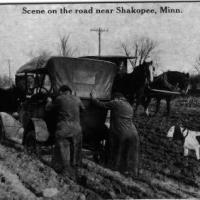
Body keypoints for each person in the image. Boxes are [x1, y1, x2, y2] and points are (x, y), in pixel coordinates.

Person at [90, 91, 140, 176]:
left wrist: (93, 97)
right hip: (133, 133)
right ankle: (131, 171)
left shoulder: (116, 102)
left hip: (121, 132)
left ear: (116, 98)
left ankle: (114, 169)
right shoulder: (129, 105)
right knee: (130, 153)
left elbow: (101, 105)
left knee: (115, 150)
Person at [46, 85, 85, 178]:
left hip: (64, 128)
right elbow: (83, 109)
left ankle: (65, 170)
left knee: (63, 148)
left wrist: (49, 101)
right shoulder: (77, 99)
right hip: (77, 129)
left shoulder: (60, 98)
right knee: (76, 150)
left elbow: (48, 108)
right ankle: (76, 171)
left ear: (61, 92)